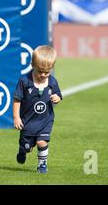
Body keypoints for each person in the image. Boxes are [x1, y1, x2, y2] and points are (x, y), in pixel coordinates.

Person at [13, 45, 62, 174]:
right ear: (32, 64)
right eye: (40, 71)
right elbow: (17, 99)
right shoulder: (24, 81)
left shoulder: (52, 82)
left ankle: (42, 165)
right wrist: (16, 117)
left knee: (42, 142)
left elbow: (58, 95)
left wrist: (57, 98)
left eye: (47, 72)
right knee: (28, 148)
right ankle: (23, 150)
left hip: (45, 120)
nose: (43, 75)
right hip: (28, 121)